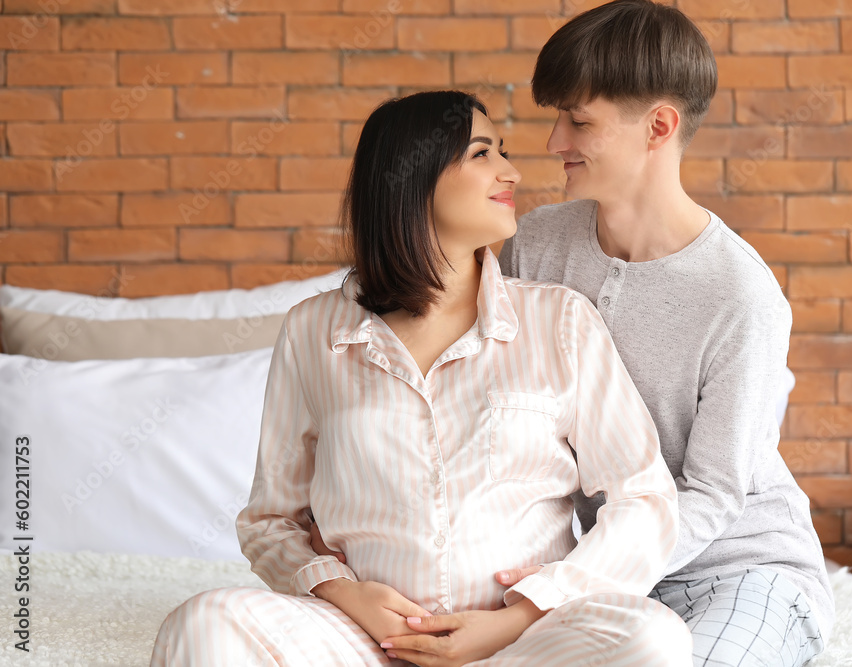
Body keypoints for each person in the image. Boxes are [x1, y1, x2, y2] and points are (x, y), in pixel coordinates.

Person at [149, 90, 692, 667]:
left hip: (519, 643)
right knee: (205, 623)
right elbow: (271, 521)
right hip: (361, 639)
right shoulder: (314, 331)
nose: (511, 170)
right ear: (411, 179)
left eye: (501, 152)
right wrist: (344, 592)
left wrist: (522, 614)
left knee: (649, 638)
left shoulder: (559, 321)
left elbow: (646, 501)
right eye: (482, 154)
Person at [492, 2, 835, 666]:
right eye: (557, 117)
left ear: (659, 126)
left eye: (578, 120)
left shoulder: (740, 295)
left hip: (737, 570)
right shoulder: (535, 247)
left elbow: (713, 491)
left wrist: (576, 580)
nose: (554, 142)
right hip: (596, 577)